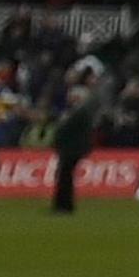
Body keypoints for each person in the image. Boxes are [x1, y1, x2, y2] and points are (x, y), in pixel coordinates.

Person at [47, 89, 94, 217]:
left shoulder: (79, 112)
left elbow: (68, 130)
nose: (69, 98)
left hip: (72, 150)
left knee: (65, 177)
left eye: (72, 96)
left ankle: (63, 206)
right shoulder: (78, 112)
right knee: (65, 177)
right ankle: (63, 205)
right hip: (70, 149)